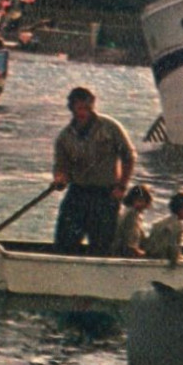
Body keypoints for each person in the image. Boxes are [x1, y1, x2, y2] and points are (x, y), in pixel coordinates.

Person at [52, 86, 136, 255]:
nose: (83, 112)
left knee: (102, 243)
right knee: (65, 240)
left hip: (106, 194)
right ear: (72, 108)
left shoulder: (110, 128)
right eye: (79, 108)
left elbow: (129, 157)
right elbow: (61, 166)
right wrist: (60, 179)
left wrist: (121, 186)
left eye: (87, 108)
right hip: (78, 192)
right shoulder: (65, 137)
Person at [143, 191, 183, 263]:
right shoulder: (177, 226)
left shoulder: (162, 222)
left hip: (153, 257)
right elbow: (174, 256)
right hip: (161, 261)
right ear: (182, 210)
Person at [111, 184, 154, 256]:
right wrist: (148, 255)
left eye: (144, 201)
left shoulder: (129, 212)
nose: (144, 204)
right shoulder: (132, 215)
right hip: (122, 254)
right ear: (132, 200)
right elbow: (130, 248)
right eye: (139, 200)